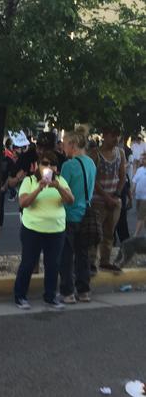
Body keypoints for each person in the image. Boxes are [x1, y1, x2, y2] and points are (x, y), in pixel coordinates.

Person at [13, 150, 74, 310]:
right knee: (28, 263)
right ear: (37, 166)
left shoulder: (61, 181)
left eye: (52, 164)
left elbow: (70, 200)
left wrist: (58, 187)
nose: (48, 167)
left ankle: (50, 296)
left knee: (53, 264)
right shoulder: (30, 181)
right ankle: (20, 296)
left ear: (56, 168)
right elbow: (23, 203)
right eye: (45, 164)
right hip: (33, 229)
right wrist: (39, 188)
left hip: (56, 230)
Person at [58, 126, 97, 304]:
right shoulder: (91, 163)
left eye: (65, 144)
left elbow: (64, 194)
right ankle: (84, 290)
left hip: (69, 215)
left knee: (66, 255)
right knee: (82, 255)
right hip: (86, 215)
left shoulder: (68, 165)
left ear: (73, 145)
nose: (62, 147)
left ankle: (67, 292)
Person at [88, 126, 126, 274]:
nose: (116, 139)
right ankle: (91, 262)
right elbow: (94, 180)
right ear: (105, 135)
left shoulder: (120, 153)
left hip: (114, 200)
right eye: (113, 135)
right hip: (98, 200)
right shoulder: (95, 154)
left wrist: (116, 195)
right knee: (95, 234)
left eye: (117, 135)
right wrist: (107, 197)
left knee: (109, 233)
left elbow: (122, 176)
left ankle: (105, 261)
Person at [132, 154, 146, 236]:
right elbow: (134, 181)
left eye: (145, 159)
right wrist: (132, 191)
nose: (143, 161)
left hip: (145, 198)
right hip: (138, 197)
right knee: (143, 216)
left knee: (140, 217)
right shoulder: (140, 170)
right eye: (143, 159)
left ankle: (135, 235)